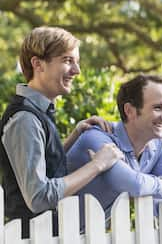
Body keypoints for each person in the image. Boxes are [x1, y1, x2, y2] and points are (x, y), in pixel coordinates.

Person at [0, 27, 123, 238]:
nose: (77, 70)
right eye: (67, 60)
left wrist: (74, 136)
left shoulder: (37, 113)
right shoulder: (25, 120)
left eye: (76, 61)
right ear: (37, 64)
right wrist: (97, 164)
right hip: (35, 237)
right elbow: (38, 196)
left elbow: (43, 166)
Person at [67, 74, 162, 229]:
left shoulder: (156, 146)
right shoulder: (97, 138)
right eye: (158, 108)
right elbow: (133, 185)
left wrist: (156, 203)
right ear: (130, 111)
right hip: (47, 233)